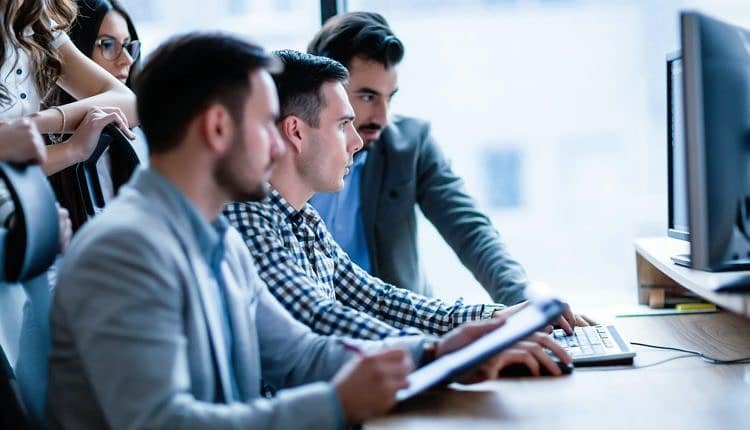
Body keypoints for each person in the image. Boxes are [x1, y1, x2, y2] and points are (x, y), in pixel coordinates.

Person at [47, 33, 570, 429]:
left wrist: (437, 354)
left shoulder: (214, 240)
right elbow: (164, 424)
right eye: (265, 126)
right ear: (217, 129)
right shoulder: (125, 251)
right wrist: (336, 404)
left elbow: (300, 353)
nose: (278, 148)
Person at [225, 51, 560, 343]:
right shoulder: (247, 218)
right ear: (296, 131)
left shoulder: (304, 219)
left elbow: (377, 300)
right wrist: (446, 348)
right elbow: (317, 318)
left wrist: (497, 318)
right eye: (343, 125)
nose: (356, 142)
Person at [307, 12, 592, 330]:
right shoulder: (284, 162)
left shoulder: (410, 144)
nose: (383, 117)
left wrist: (524, 304)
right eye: (368, 96)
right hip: (314, 337)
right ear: (324, 91)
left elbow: (471, 231)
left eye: (390, 98)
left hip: (404, 328)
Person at [46, 0, 148, 232]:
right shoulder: (39, 138)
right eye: (107, 44)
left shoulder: (138, 136)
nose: (127, 60)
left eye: (128, 45)